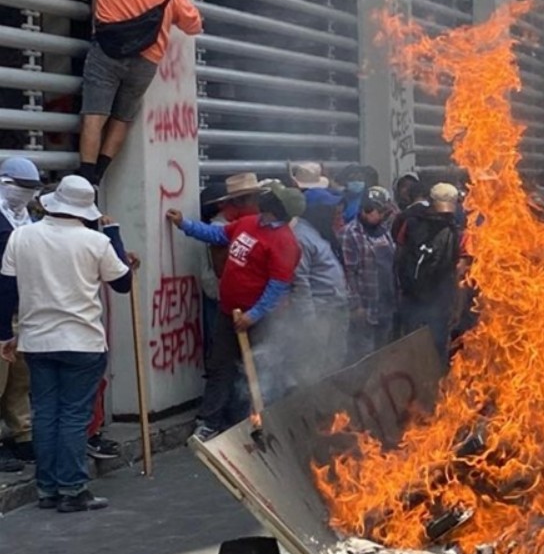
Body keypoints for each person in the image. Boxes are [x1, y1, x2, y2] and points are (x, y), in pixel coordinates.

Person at [0, 176, 136, 512]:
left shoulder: (21, 236)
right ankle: (73, 490)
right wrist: (113, 233)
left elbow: (6, 290)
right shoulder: (96, 241)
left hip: (36, 340)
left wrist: (5, 335)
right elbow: (123, 283)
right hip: (82, 340)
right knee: (74, 415)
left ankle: (47, 489)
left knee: (45, 412)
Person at [55, 0, 202, 185]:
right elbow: (194, 25)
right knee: (122, 118)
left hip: (107, 51)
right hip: (146, 63)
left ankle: (86, 175)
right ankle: (99, 174)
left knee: (94, 115)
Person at [166, 180, 301, 439]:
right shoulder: (249, 223)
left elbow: (277, 286)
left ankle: (253, 423)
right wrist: (184, 224)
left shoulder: (285, 242)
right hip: (229, 312)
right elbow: (218, 235)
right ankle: (209, 422)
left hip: (257, 320)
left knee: (256, 371)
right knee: (220, 366)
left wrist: (253, 315)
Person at [0, 159, 41, 472]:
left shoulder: (29, 220)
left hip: (22, 307)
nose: (24, 194)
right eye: (20, 186)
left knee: (20, 377)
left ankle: (22, 434)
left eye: (30, 188)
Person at [395, 182, 463, 362]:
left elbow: (398, 255)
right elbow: (459, 269)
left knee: (415, 348)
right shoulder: (453, 229)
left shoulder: (410, 221)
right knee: (432, 349)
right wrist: (457, 305)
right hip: (431, 300)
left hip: (418, 298)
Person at [287, 186, 349, 385]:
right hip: (320, 312)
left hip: (334, 308)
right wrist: (309, 323)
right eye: (330, 210)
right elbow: (300, 283)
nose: (335, 215)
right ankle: (312, 402)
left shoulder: (318, 232)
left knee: (333, 364)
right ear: (318, 211)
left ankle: (330, 401)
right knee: (314, 367)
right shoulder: (301, 237)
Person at [341, 186, 398, 362]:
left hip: (386, 304)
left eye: (382, 211)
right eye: (374, 210)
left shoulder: (384, 231)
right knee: (363, 356)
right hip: (366, 306)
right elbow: (349, 273)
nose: (379, 215)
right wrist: (356, 305)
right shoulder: (351, 233)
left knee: (382, 354)